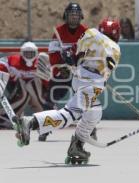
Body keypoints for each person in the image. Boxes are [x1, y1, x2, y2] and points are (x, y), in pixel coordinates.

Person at [15, 18, 121, 164]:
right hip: (92, 83)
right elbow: (106, 69)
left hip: (79, 77)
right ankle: (31, 122)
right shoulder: (116, 48)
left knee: (94, 111)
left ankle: (77, 146)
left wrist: (70, 57)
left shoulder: (90, 32)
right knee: (69, 114)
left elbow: (75, 53)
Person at [43, 2, 88, 141]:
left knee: (86, 100)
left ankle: (88, 130)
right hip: (63, 72)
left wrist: (81, 66)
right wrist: (61, 67)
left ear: (80, 16)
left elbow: (89, 52)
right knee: (50, 97)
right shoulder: (58, 32)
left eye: (76, 14)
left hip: (79, 72)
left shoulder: (86, 32)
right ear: (66, 16)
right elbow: (53, 53)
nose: (74, 17)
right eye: (71, 14)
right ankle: (45, 128)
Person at [0, 42, 51, 130]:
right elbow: (1, 67)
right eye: (26, 53)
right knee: (24, 89)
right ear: (21, 53)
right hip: (17, 92)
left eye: (31, 53)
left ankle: (44, 115)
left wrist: (44, 74)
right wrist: (8, 74)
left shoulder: (41, 62)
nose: (29, 56)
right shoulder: (11, 60)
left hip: (37, 94)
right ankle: (7, 116)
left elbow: (47, 84)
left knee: (33, 84)